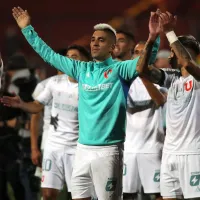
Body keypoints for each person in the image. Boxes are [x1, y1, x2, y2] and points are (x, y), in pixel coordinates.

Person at [5, 6, 160, 200]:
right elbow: (48, 55)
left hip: (108, 151)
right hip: (82, 150)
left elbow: (144, 63)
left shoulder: (120, 70)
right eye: (93, 39)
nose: (94, 43)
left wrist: (153, 38)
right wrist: (27, 29)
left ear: (112, 48)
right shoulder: (81, 69)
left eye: (101, 40)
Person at [136, 10, 200, 199]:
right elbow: (141, 70)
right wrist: (152, 37)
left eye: (176, 50)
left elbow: (188, 64)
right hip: (169, 153)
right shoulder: (172, 78)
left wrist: (170, 32)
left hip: (193, 153)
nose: (172, 54)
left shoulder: (198, 77)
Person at [114, 30, 166, 200]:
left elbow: (159, 100)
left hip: (152, 149)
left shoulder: (160, 81)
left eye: (144, 53)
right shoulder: (125, 81)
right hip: (128, 148)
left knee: (158, 194)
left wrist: (144, 76)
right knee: (127, 194)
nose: (139, 57)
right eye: (137, 53)